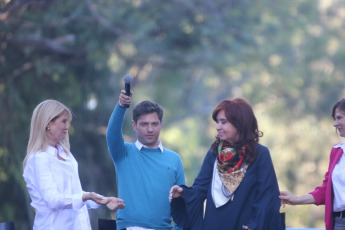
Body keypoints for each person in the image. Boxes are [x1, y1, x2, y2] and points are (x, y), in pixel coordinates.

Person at [169, 98, 284, 230]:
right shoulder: (214, 153)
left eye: (223, 122)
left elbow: (267, 196)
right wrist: (184, 193)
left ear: (240, 123)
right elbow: (200, 189)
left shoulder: (259, 154)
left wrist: (255, 224)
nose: (218, 127)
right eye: (217, 122)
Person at [23, 99, 125, 230]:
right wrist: (86, 196)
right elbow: (53, 200)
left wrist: (102, 200)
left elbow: (75, 194)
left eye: (67, 122)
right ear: (48, 123)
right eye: (63, 121)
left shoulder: (66, 155)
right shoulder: (38, 159)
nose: (67, 126)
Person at [106, 89, 186, 230]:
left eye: (154, 124)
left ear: (160, 124)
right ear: (134, 125)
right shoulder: (123, 152)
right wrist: (121, 106)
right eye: (144, 124)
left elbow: (181, 204)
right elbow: (112, 133)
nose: (150, 129)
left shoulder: (174, 159)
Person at [279, 98, 345, 230]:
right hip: (339, 222)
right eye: (334, 119)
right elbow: (326, 190)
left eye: (339, 118)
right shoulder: (337, 151)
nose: (335, 124)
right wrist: (296, 199)